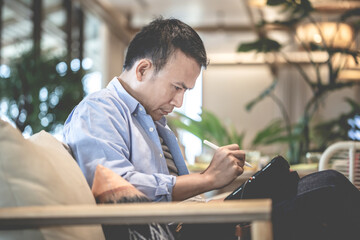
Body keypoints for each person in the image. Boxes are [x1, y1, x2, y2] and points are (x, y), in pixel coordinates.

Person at [63, 18, 360, 239]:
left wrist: (213, 189)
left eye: (186, 91)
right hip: (180, 233)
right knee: (328, 193)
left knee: (317, 182)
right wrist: (207, 180)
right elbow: (120, 190)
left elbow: (171, 193)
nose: (179, 101)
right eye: (176, 87)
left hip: (192, 220)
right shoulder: (98, 111)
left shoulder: (151, 121)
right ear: (143, 69)